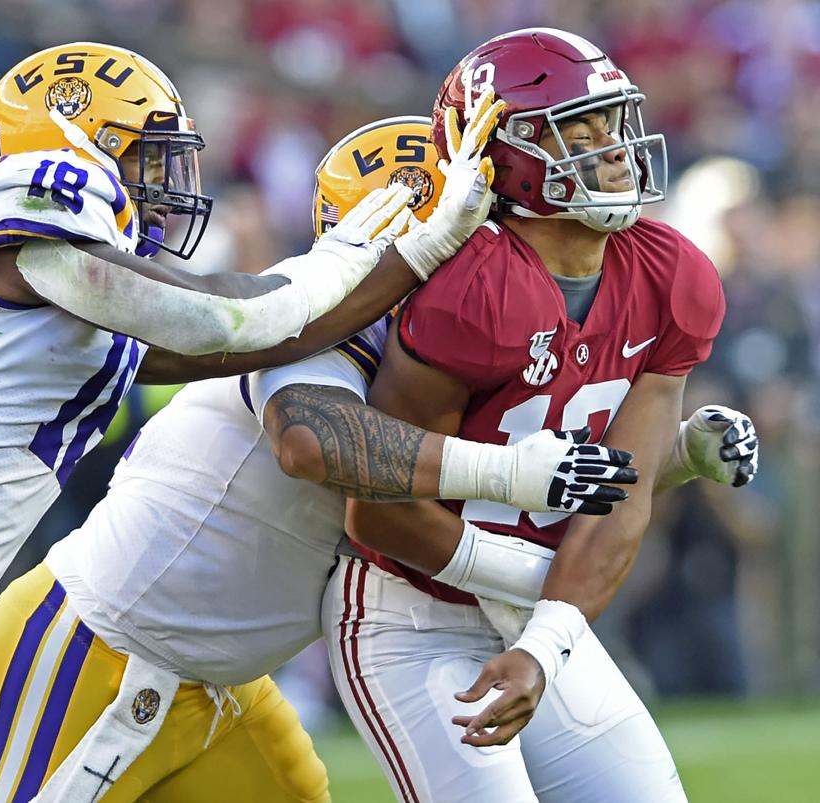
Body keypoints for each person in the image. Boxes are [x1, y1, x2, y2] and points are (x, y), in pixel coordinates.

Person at [0, 113, 754, 803]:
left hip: (228, 682)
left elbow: (550, 472)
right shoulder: (315, 324)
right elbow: (323, 445)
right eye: (463, 223)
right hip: (97, 642)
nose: (487, 245)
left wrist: (673, 456)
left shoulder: (472, 334)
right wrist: (519, 501)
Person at [0, 42, 502, 802]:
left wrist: (415, 254)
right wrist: (354, 250)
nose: (161, 192)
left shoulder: (68, 305)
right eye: (143, 156)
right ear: (75, 137)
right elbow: (227, 315)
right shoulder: (25, 189)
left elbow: (267, 337)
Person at [325, 28, 757, 803]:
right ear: (508, 154)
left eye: (612, 121)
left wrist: (547, 636)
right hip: (413, 615)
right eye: (577, 129)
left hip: (541, 615)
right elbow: (380, 511)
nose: (615, 147)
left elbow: (619, 496)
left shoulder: (672, 272)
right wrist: (537, 585)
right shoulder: (474, 286)